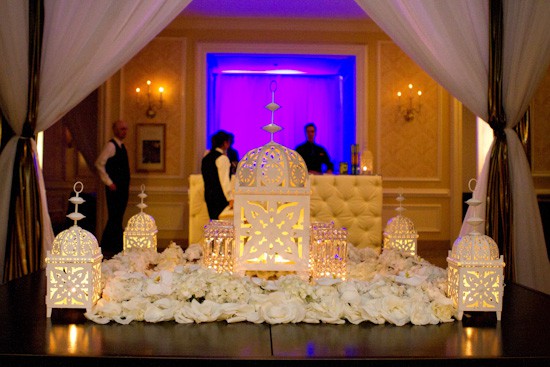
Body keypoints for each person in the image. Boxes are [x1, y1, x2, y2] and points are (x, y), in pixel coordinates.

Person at [95, 120, 130, 255]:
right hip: (114, 189)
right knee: (114, 217)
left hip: (122, 188)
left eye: (125, 129)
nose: (124, 131)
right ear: (115, 130)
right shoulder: (111, 146)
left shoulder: (122, 146)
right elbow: (99, 163)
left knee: (117, 217)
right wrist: (109, 182)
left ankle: (112, 246)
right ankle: (108, 246)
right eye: (122, 129)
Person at [201, 130, 234, 219]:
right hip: (220, 198)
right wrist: (230, 198)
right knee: (223, 226)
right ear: (225, 143)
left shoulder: (206, 158)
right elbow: (224, 181)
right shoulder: (222, 158)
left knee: (215, 224)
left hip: (209, 197)